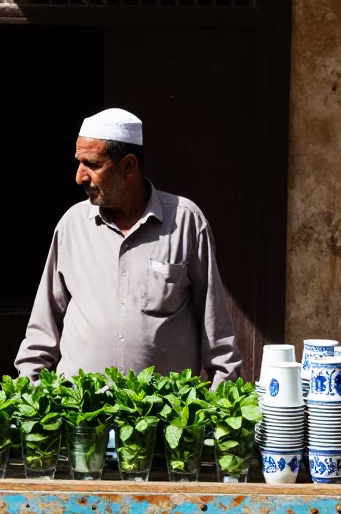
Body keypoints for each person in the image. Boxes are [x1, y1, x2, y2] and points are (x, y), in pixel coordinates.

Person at [14, 108, 242, 386]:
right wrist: (28, 399)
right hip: (79, 418)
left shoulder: (185, 222)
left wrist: (221, 411)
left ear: (129, 166)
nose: (79, 177)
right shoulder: (72, 225)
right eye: (79, 163)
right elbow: (42, 330)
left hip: (163, 418)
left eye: (92, 164)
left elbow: (217, 336)